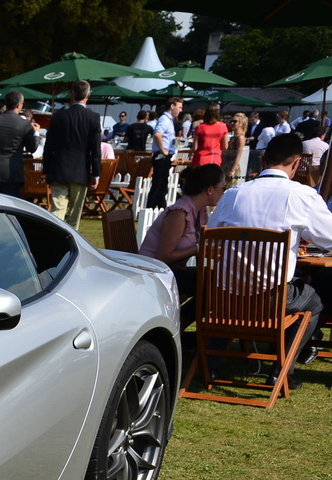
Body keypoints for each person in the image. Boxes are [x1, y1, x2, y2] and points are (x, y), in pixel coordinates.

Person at [212, 131, 332, 361]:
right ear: (297, 162)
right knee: (314, 302)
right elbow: (329, 237)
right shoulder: (301, 195)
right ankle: (282, 370)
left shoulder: (234, 194)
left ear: (263, 159)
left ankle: (212, 361)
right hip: (272, 295)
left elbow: (214, 238)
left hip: (226, 294)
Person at [137, 163, 223, 300]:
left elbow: (201, 246)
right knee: (215, 285)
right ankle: (181, 320)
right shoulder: (179, 213)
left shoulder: (200, 211)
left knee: (217, 281)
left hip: (171, 271)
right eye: (223, 187)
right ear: (210, 190)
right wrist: (196, 249)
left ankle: (181, 319)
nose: (224, 192)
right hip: (154, 273)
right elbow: (164, 257)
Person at [44, 80, 102, 228]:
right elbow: (96, 149)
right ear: (88, 95)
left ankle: (53, 236)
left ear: (72, 94)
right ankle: (72, 241)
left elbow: (48, 146)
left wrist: (46, 169)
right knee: (74, 214)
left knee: (57, 210)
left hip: (59, 168)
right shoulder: (93, 118)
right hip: (80, 170)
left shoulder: (59, 116)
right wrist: (96, 174)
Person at [0, 90, 38, 197]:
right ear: (19, 105)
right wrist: (36, 133)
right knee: (9, 208)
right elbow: (32, 148)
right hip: (13, 172)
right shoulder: (25, 124)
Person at [148, 95, 183, 209]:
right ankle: (152, 208)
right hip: (161, 156)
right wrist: (163, 151)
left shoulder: (168, 120)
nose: (180, 110)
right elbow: (157, 134)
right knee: (159, 185)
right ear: (172, 106)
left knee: (162, 185)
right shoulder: (164, 119)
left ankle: (159, 208)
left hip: (165, 155)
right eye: (179, 107)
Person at [224, 112, 250, 187]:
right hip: (226, 165)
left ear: (241, 123)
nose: (232, 123)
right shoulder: (233, 137)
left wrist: (232, 170)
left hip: (232, 166)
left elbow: (239, 154)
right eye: (231, 121)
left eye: (235, 121)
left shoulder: (240, 138)